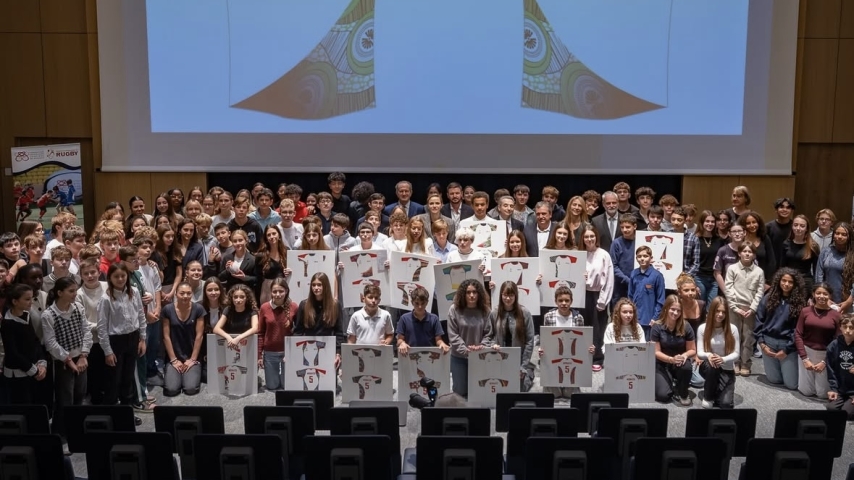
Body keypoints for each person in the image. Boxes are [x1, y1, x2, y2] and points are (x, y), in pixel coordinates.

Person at [41, 277, 92, 435]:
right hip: (63, 362)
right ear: (59, 292)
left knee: (80, 394)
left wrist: (84, 355)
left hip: (80, 358)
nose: (74, 294)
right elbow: (50, 342)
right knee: (65, 399)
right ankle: (61, 432)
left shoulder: (77, 307)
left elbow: (86, 331)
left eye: (75, 290)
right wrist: (68, 359)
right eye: (71, 291)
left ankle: (76, 429)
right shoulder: (49, 315)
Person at [97, 264, 147, 408]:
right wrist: (108, 351)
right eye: (116, 276)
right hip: (116, 342)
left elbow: (140, 315)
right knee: (114, 379)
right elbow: (102, 327)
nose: (120, 279)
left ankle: (127, 411)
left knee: (128, 378)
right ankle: (112, 413)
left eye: (123, 276)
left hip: (133, 338)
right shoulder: (106, 298)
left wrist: (142, 339)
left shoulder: (135, 292)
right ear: (110, 278)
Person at [755, 268, 808, 391]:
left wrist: (787, 349)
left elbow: (797, 329)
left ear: (795, 285)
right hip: (768, 342)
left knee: (791, 384)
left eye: (790, 282)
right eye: (784, 280)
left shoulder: (800, 303)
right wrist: (762, 344)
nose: (786, 284)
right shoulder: (768, 298)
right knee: (774, 380)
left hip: (788, 344)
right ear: (779, 281)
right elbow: (758, 320)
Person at [482, 282, 536, 392]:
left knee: (520, 388)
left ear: (516, 296)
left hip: (519, 360)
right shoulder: (494, 313)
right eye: (505, 295)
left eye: (511, 295)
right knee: (499, 388)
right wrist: (492, 345)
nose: (508, 298)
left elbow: (530, 341)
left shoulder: (525, 313)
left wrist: (523, 367)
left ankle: (529, 372)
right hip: (499, 358)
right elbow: (488, 335)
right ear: (500, 295)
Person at [537, 287, 589, 399]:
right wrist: (542, 350)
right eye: (560, 301)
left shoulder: (578, 318)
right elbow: (545, 339)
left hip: (572, 356)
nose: (564, 303)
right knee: (552, 395)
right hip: (553, 356)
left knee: (571, 394)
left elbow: (581, 341)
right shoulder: (549, 316)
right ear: (555, 301)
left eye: (567, 300)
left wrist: (588, 349)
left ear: (571, 301)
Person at [2, 284, 47, 405]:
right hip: (17, 375)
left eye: (31, 298)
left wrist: (42, 362)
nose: (31, 302)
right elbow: (12, 353)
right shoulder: (8, 323)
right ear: (15, 301)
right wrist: (34, 370)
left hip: (32, 369)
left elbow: (35, 341)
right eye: (27, 299)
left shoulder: (26, 315)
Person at [795, 283, 841, 399]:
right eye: (818, 293)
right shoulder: (805, 311)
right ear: (813, 294)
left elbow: (838, 341)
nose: (821, 296)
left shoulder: (836, 315)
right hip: (806, 352)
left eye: (825, 294)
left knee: (822, 394)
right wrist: (804, 359)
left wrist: (825, 362)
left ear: (830, 296)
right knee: (806, 391)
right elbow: (798, 334)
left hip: (825, 353)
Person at [447, 279, 491, 398]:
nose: (472, 295)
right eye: (468, 292)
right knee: (460, 391)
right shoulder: (454, 309)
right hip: (459, 357)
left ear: (479, 294)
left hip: (479, 356)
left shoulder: (486, 311)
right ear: (463, 294)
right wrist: (465, 350)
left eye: (475, 292)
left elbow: (489, 333)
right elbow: (453, 335)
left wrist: (482, 346)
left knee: (478, 390)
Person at [294, 272, 346, 370]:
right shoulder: (304, 305)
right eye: (313, 285)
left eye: (319, 285)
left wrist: (338, 353)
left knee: (329, 383)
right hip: (309, 349)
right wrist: (293, 352)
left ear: (325, 286)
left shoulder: (335, 305)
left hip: (328, 348)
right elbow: (298, 331)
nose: (316, 288)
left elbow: (339, 332)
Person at [161, 283, 205, 396]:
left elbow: (199, 336)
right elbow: (166, 336)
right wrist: (174, 360)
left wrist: (192, 359)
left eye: (188, 293)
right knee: (171, 390)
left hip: (192, 357)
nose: (185, 296)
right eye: (182, 293)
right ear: (176, 294)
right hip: (174, 356)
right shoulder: (167, 309)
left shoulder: (198, 309)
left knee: (190, 389)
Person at [651, 295, 696, 406]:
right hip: (662, 363)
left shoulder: (686, 326)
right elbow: (655, 352)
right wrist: (671, 359)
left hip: (680, 362)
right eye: (672, 309)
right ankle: (670, 382)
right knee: (663, 396)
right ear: (666, 308)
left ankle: (683, 392)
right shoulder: (656, 327)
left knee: (687, 367)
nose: (675, 313)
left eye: (678, 311)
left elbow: (693, 350)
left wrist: (684, 355)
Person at [696, 296, 739, 409]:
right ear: (712, 311)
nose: (720, 314)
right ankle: (708, 397)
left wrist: (723, 359)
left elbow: (736, 354)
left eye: (723, 312)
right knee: (713, 364)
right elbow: (699, 352)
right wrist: (709, 355)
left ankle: (717, 388)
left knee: (725, 404)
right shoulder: (702, 328)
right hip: (708, 367)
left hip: (727, 368)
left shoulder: (733, 329)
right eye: (717, 311)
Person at [580, 225, 613, 370]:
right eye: (586, 237)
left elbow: (609, 279)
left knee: (597, 328)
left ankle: (597, 358)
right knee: (582, 326)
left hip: (597, 295)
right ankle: (582, 356)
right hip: (581, 294)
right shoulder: (579, 254)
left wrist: (603, 300)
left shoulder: (604, 254)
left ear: (596, 237)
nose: (589, 239)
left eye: (592, 236)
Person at [257, 278, 296, 391]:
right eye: (274, 291)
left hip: (287, 352)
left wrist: (293, 352)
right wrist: (259, 355)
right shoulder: (264, 307)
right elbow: (261, 333)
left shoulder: (294, 307)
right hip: (270, 352)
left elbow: (297, 332)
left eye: (281, 291)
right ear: (270, 292)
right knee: (272, 386)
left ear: (286, 291)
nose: (277, 294)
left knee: (286, 385)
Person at [396, 286, 450, 353]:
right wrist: (402, 343)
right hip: (409, 356)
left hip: (429, 357)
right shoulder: (404, 318)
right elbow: (400, 339)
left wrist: (442, 344)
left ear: (427, 302)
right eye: (417, 303)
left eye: (422, 303)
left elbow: (438, 340)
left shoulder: (434, 319)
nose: (420, 306)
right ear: (412, 302)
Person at [815, 222, 854, 313]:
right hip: (825, 300)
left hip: (847, 301)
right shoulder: (825, 252)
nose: (840, 236)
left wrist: (849, 300)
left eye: (844, 234)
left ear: (850, 237)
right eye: (837, 233)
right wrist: (824, 297)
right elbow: (818, 277)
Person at [629, 246, 665, 338]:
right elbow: (630, 296)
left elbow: (660, 300)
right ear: (636, 258)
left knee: (648, 347)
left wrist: (655, 318)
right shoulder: (633, 273)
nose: (642, 259)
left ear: (651, 258)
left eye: (645, 256)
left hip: (649, 321)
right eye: (639, 256)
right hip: (635, 319)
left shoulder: (657, 276)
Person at [825, 314, 854, 419]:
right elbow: (830, 369)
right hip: (840, 389)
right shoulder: (833, 345)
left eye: (851, 328)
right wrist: (833, 389)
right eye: (845, 327)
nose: (848, 330)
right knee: (831, 409)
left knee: (847, 413)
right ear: (840, 327)